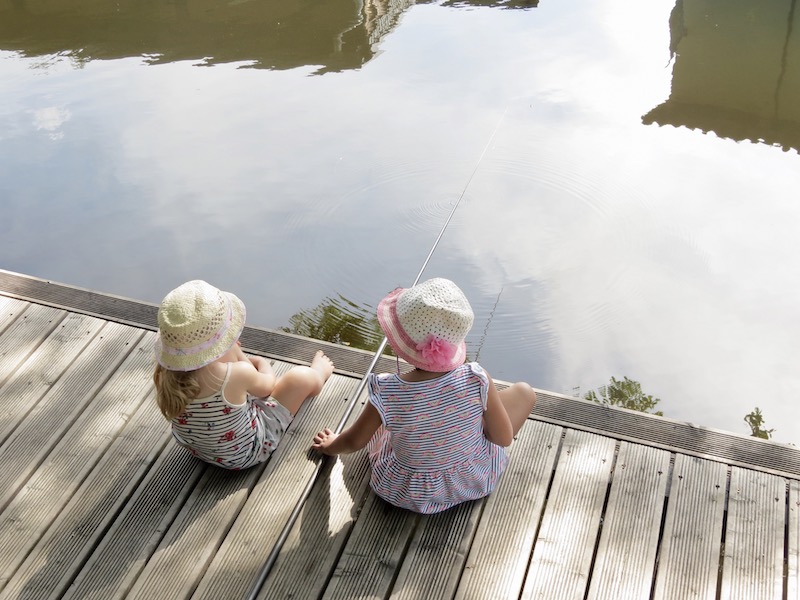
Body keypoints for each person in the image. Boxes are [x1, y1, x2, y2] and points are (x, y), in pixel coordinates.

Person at [312, 277, 537, 514]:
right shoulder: (476, 377)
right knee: (524, 392)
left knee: (381, 426)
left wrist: (330, 446)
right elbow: (503, 439)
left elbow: (353, 442)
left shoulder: (388, 392)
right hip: (473, 480)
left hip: (408, 491)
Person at [153, 279, 334, 470]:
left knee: (241, 393)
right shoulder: (236, 373)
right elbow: (266, 388)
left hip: (199, 449)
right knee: (299, 378)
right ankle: (319, 373)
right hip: (245, 453)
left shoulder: (165, 373)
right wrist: (258, 361)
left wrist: (231, 353)